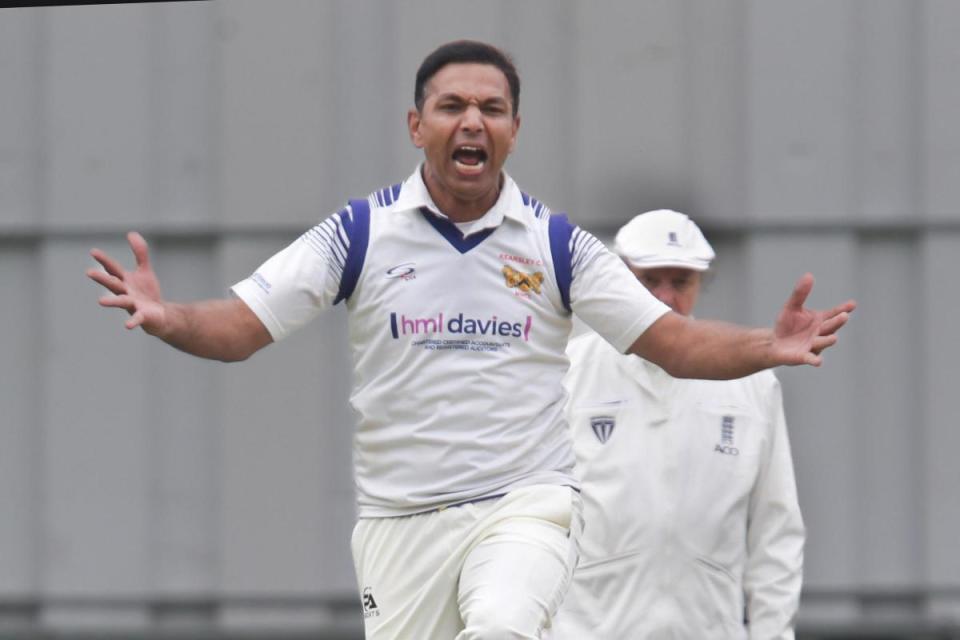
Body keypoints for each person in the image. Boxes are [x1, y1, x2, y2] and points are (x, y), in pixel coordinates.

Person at [87, 40, 853, 640]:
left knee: (501, 625)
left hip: (525, 507)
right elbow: (242, 330)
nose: (472, 121)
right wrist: (170, 319)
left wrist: (765, 345)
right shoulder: (358, 233)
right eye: (452, 105)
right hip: (399, 522)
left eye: (491, 107)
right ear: (416, 125)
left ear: (514, 131)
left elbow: (674, 346)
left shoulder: (559, 246)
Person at [551, 209, 805, 640]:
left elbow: (775, 532)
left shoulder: (752, 383)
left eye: (681, 281)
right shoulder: (570, 373)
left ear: (700, 282)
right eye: (650, 280)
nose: (665, 298)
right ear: (620, 276)